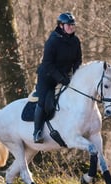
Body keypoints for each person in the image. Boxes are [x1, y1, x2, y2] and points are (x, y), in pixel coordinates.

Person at [33, 12, 82, 143]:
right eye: (69, 25)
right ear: (61, 25)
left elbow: (78, 61)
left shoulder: (76, 41)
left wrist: (76, 76)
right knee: (43, 101)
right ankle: (37, 132)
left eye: (73, 25)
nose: (71, 27)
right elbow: (47, 64)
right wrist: (61, 79)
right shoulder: (52, 41)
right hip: (47, 77)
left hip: (65, 76)